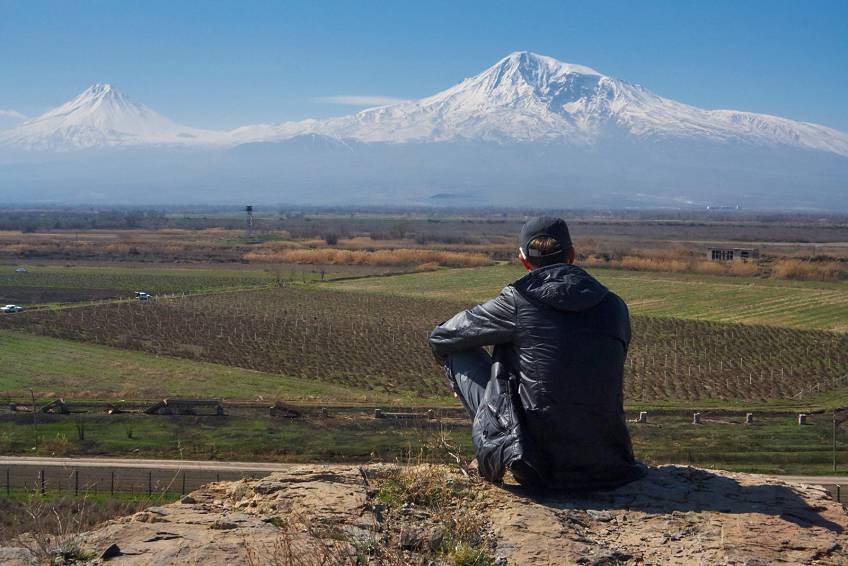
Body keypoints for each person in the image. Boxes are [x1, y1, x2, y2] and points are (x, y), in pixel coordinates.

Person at [429, 216, 644, 490]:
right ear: (573, 255)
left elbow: (442, 336)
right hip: (611, 463)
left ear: (523, 260)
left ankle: (501, 446)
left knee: (458, 352)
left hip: (538, 466)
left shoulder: (518, 301)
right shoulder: (614, 306)